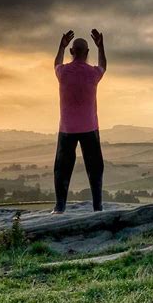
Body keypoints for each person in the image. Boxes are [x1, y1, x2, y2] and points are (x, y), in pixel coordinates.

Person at [51, 28, 107, 214]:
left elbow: (56, 63)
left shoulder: (63, 72)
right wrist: (101, 47)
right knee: (95, 168)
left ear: (72, 52)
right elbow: (103, 66)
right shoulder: (93, 74)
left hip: (67, 128)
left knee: (62, 168)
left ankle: (60, 207)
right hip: (90, 127)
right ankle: (97, 207)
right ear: (87, 53)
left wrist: (61, 45)